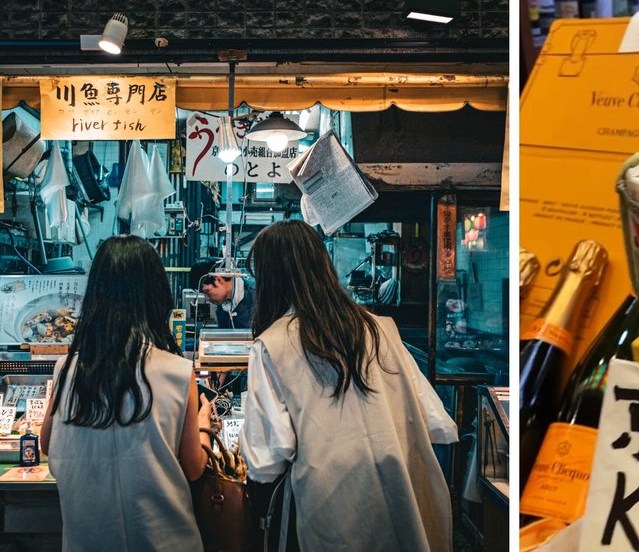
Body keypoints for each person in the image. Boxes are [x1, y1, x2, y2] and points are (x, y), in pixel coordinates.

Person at [240, 220, 455, 551]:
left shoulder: (271, 346)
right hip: (403, 498)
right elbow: (438, 423)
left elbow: (266, 462)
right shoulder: (381, 329)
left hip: (329, 511)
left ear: (269, 279)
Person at [40, 235, 215, 551]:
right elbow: (194, 466)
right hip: (164, 541)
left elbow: (47, 445)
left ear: (95, 293)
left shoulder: (67, 368)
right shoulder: (176, 371)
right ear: (156, 294)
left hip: (87, 542)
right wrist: (204, 425)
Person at [190, 258, 255, 329]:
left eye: (207, 291)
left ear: (219, 279)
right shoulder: (222, 309)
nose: (206, 298)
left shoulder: (257, 297)